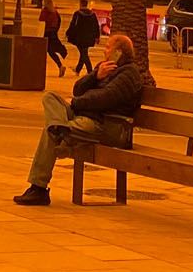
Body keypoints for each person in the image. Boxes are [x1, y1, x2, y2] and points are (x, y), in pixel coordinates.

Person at [13, 32, 145, 206]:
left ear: (119, 52)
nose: (104, 51)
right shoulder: (104, 68)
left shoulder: (129, 74)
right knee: (50, 97)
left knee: (50, 131)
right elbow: (78, 88)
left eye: (108, 47)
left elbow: (104, 98)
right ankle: (61, 129)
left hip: (107, 125)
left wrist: (75, 104)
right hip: (87, 117)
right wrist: (95, 76)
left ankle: (39, 188)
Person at [65, 0, 101, 77]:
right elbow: (96, 26)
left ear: (80, 4)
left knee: (84, 54)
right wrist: (97, 36)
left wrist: (68, 33)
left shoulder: (77, 14)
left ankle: (90, 71)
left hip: (80, 38)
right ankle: (78, 69)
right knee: (83, 53)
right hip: (89, 37)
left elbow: (73, 25)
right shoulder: (92, 15)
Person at [38, 0, 66, 76]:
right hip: (53, 33)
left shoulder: (45, 11)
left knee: (44, 51)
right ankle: (60, 66)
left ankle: (41, 68)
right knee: (50, 51)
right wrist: (55, 30)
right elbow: (59, 22)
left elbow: (41, 22)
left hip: (46, 33)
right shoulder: (55, 12)